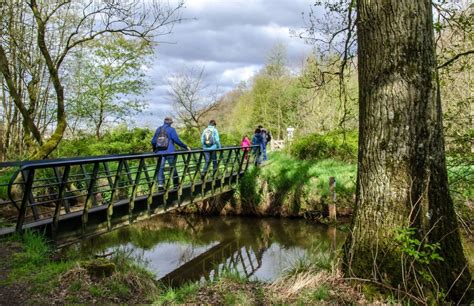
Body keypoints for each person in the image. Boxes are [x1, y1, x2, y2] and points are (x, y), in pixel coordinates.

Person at [151, 117, 191, 188]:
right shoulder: (171, 130)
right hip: (170, 152)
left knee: (160, 168)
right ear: (170, 123)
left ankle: (160, 184)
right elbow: (176, 140)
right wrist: (185, 147)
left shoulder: (158, 129)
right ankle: (175, 184)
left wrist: (155, 150)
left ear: (164, 122)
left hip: (159, 152)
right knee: (172, 168)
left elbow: (153, 141)